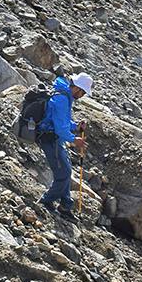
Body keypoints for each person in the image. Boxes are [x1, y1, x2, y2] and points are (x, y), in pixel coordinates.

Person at [37, 72, 94, 220]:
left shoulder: (64, 95)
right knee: (63, 173)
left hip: (53, 137)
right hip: (50, 138)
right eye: (82, 92)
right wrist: (74, 140)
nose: (82, 96)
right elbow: (60, 128)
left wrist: (75, 127)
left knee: (66, 170)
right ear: (77, 88)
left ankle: (65, 205)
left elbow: (63, 122)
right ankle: (47, 200)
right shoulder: (62, 98)